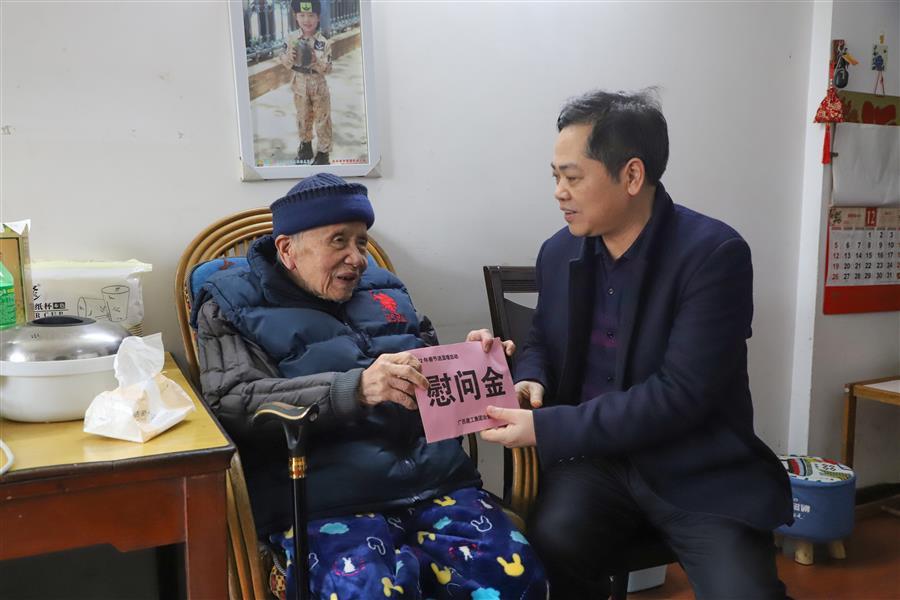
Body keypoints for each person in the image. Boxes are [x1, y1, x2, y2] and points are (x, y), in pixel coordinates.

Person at [481, 89, 792, 599]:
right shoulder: (558, 252)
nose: (559, 192)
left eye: (573, 177)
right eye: (555, 177)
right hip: (594, 465)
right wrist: (530, 376)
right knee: (549, 547)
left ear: (631, 176)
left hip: (696, 466)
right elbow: (541, 340)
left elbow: (681, 394)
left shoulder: (714, 254)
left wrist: (545, 426)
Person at [192, 173, 546, 600]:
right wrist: (355, 389)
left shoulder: (387, 290)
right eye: (338, 241)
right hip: (324, 502)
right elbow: (233, 403)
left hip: (434, 483)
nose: (357, 258)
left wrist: (478, 365)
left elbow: (429, 380)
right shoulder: (230, 303)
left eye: (361, 241)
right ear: (287, 249)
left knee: (516, 580)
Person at [279, 0, 332, 165]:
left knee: (322, 118)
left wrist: (316, 61)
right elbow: (283, 58)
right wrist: (289, 58)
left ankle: (323, 153)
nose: (306, 20)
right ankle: (306, 146)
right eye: (302, 15)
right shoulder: (291, 39)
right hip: (300, 84)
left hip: (318, 85)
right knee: (303, 117)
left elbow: (328, 68)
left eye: (311, 15)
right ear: (296, 17)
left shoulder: (323, 42)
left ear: (318, 17)